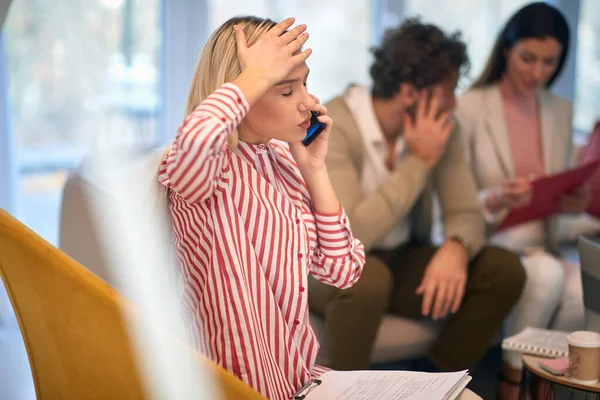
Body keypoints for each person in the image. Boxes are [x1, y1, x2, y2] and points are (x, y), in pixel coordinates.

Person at [158, 16, 365, 399]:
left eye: (305, 84)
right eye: (286, 91)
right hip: (234, 385)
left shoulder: (281, 159)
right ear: (241, 95)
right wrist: (255, 76)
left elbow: (343, 270)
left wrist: (314, 169)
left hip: (292, 379)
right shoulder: (210, 168)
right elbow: (196, 136)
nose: (309, 102)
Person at [308, 18, 526, 374]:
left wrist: (456, 245)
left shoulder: (441, 127)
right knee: (368, 279)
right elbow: (348, 237)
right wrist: (419, 162)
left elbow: (466, 211)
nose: (455, 103)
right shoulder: (336, 126)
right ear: (411, 93)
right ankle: (349, 393)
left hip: (399, 258)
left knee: (503, 271)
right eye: (449, 90)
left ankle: (438, 379)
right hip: (331, 267)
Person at [455, 3, 589, 399]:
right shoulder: (470, 107)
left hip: (541, 241)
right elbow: (452, 205)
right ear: (506, 49)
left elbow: (556, 192)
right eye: (528, 58)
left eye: (550, 62)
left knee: (580, 288)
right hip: (491, 240)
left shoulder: (559, 111)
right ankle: (512, 383)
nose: (537, 73)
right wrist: (497, 196)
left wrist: (570, 203)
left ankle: (542, 384)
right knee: (547, 274)